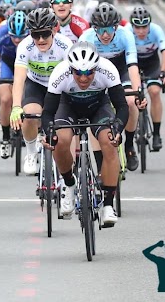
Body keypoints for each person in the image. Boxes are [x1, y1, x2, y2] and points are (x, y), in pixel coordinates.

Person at [41, 42, 128, 226]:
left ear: (96, 68)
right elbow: (48, 112)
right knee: (60, 140)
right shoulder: (60, 73)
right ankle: (69, 183)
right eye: (78, 73)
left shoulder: (107, 69)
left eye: (89, 72)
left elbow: (121, 107)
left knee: (110, 142)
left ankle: (108, 205)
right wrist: (49, 133)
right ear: (70, 68)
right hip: (68, 107)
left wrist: (118, 129)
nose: (83, 78)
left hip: (98, 106)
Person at [80, 3, 146, 171]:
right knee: (93, 112)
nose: (105, 34)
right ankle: (101, 163)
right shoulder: (86, 38)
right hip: (97, 73)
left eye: (109, 29)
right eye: (100, 29)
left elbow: (132, 66)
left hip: (121, 70)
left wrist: (138, 92)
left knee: (130, 102)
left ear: (116, 26)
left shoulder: (125, 35)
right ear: (94, 28)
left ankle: (129, 145)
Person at [10, 8, 73, 175]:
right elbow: (19, 79)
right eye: (35, 35)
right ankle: (31, 153)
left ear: (54, 30)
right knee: (29, 115)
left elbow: (73, 78)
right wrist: (16, 106)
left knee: (62, 125)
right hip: (36, 84)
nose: (41, 39)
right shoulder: (25, 46)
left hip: (60, 87)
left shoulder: (65, 45)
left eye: (45, 34)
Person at [127, 6, 165, 151]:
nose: (141, 31)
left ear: (149, 24)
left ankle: (157, 134)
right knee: (131, 97)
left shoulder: (157, 30)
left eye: (144, 27)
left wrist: (163, 72)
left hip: (152, 64)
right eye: (137, 27)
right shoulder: (126, 32)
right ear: (132, 26)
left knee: (154, 91)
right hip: (133, 64)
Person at [0, 11, 28, 159]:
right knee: (6, 99)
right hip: (7, 63)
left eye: (21, 37)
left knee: (27, 97)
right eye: (14, 36)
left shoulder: (32, 35)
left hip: (26, 64)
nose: (17, 40)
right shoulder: (1, 32)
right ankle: (6, 138)